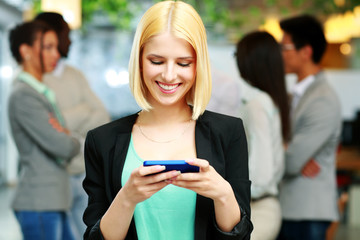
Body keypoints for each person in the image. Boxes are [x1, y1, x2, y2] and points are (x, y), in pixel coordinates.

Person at [82, 1, 253, 239]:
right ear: (139, 61)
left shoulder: (228, 132)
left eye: (183, 63)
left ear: (198, 66)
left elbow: (241, 236)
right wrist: (127, 198)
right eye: (157, 61)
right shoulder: (102, 140)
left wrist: (223, 194)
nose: (169, 75)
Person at [34, 12, 111, 239]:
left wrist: (65, 122)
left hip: (82, 176)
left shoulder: (74, 75)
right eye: (66, 35)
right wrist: (83, 112)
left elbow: (102, 116)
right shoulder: (32, 80)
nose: (71, 41)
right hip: (51, 182)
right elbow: (46, 129)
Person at [8, 20, 80, 240]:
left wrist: (66, 134)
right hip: (39, 202)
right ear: (26, 51)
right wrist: (72, 139)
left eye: (56, 47)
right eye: (47, 47)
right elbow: (63, 146)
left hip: (52, 201)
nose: (56, 54)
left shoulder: (41, 92)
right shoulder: (24, 95)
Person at [276, 15, 342, 240]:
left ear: (306, 52)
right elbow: (292, 154)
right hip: (291, 207)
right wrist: (288, 148)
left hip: (307, 211)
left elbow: (293, 161)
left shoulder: (322, 98)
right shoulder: (296, 93)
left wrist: (286, 151)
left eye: (284, 47)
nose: (280, 54)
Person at [235, 31, 290, 240]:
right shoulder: (269, 99)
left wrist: (228, 192)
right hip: (264, 204)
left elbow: (262, 172)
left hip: (257, 208)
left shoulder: (257, 103)